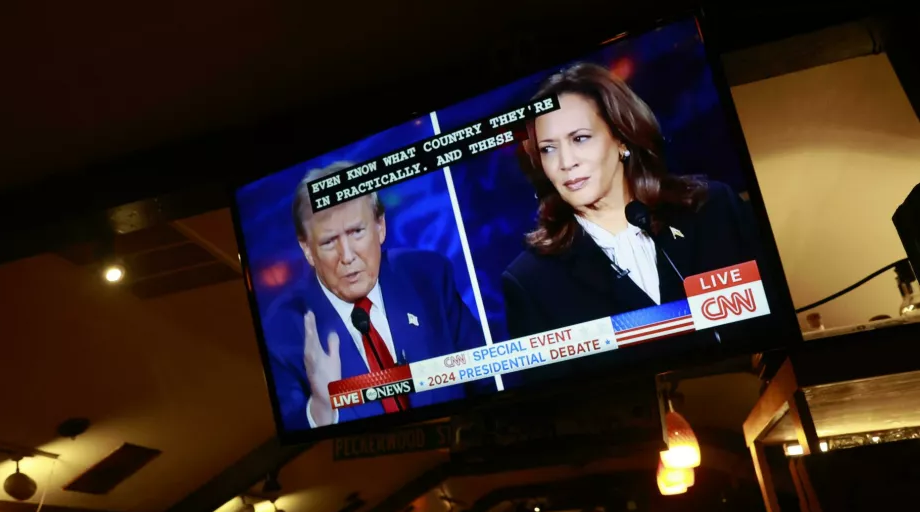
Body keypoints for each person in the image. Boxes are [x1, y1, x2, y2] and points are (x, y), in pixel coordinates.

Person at [503, 62, 757, 338]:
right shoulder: (531, 280)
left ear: (621, 138)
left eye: (580, 138)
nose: (566, 162)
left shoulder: (713, 209)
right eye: (548, 149)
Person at [266, 162, 487, 431]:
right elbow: (292, 440)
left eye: (356, 232)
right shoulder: (284, 332)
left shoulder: (428, 277)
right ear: (307, 250)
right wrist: (321, 408)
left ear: (380, 226)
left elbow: (488, 379)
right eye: (328, 242)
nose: (347, 256)